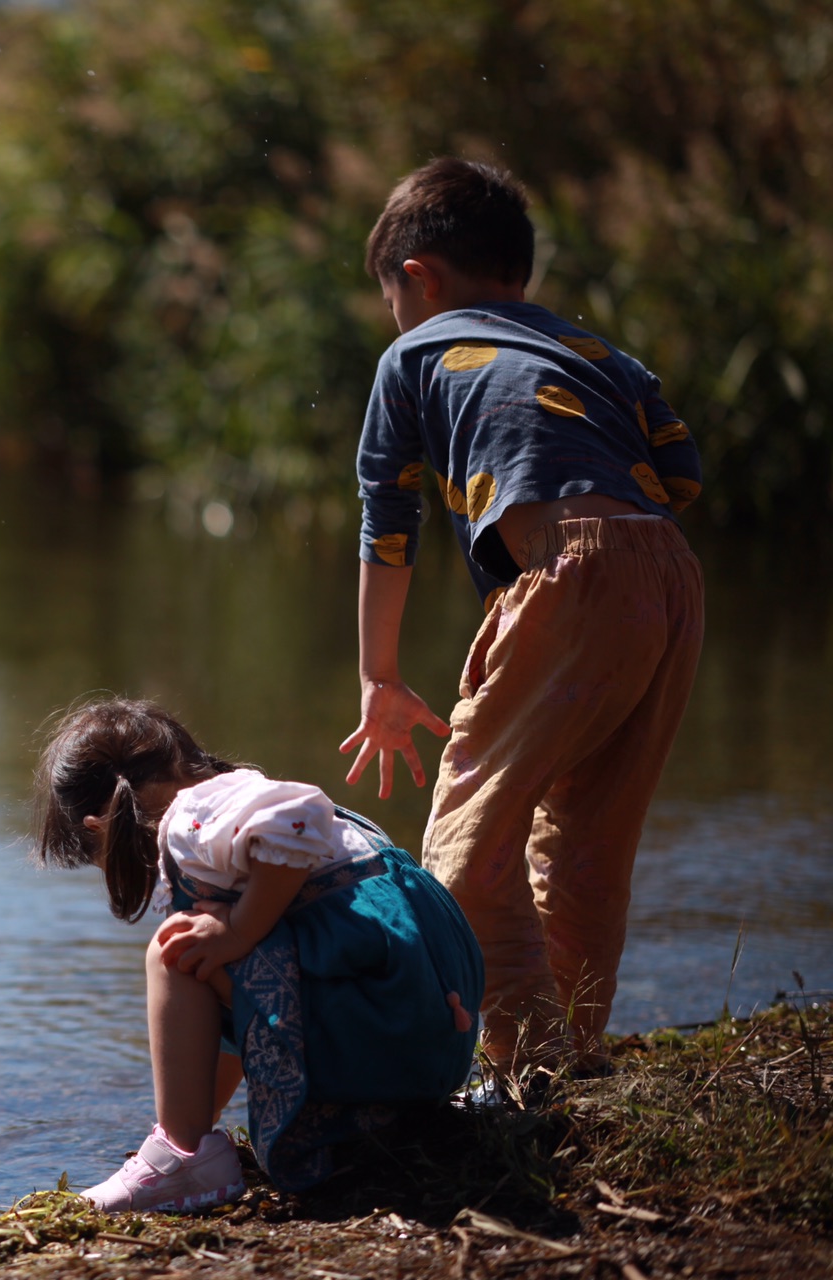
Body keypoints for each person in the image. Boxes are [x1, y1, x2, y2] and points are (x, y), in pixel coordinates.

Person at [339, 157, 705, 1076]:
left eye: (395, 300)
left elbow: (389, 526)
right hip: (670, 577)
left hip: (572, 571)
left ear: (416, 277)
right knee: (587, 840)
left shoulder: (413, 355)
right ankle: (565, 1062)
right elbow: (684, 474)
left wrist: (380, 678)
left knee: (468, 841)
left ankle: (520, 1065)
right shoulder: (599, 355)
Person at [34, 698, 482, 1212]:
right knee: (209, 951)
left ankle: (183, 1158)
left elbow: (296, 813)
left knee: (175, 947)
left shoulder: (193, 817)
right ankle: (189, 1139)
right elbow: (222, 1018)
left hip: (382, 1037)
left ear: (99, 827)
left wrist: (240, 932)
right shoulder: (236, 816)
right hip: (425, 1047)